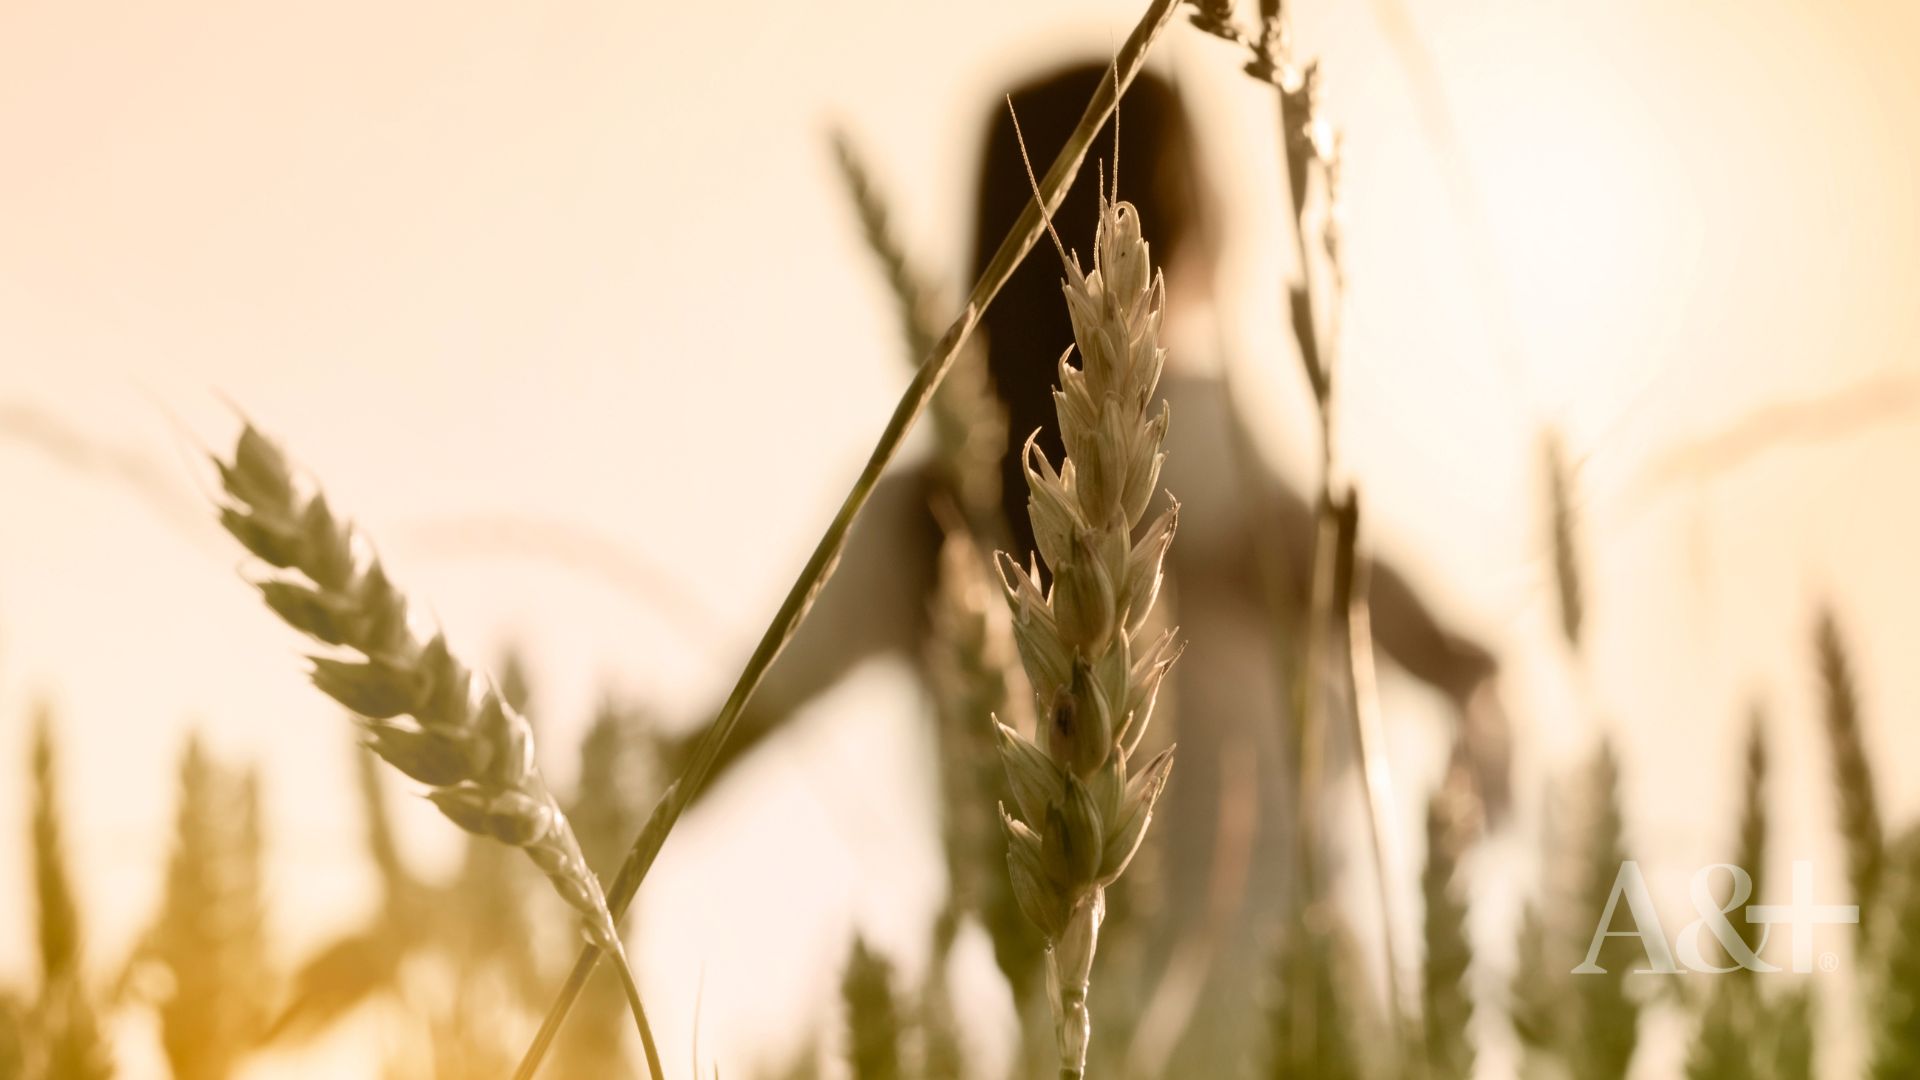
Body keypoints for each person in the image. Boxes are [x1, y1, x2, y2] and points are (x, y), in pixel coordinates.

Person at [670, 60, 1509, 1068]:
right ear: (1186, 222)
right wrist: (1470, 802)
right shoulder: (1230, 467)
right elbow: (1469, 668)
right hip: (1315, 1035)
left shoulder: (920, 523)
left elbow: (706, 751)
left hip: (1075, 1043)